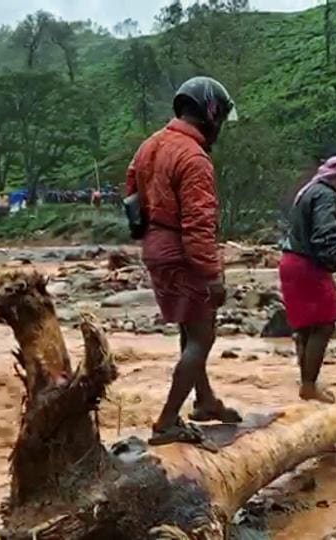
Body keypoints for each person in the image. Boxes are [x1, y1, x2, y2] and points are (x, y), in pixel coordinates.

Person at [126, 76, 241, 448]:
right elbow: (198, 223)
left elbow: (130, 192)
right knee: (203, 336)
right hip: (181, 252)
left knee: (190, 329)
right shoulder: (193, 157)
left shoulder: (150, 146)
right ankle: (167, 421)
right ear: (211, 112)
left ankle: (205, 400)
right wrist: (212, 274)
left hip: (154, 246)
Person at [279, 156, 336, 404]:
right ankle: (309, 385)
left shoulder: (308, 191)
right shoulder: (326, 195)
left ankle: (306, 382)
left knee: (304, 326)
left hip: (289, 261)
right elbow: (324, 234)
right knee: (324, 323)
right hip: (307, 265)